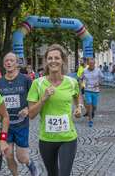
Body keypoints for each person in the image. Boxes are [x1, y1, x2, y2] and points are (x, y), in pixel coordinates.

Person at [27, 44, 83, 176]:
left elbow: (77, 95)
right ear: (46, 61)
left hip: (68, 138)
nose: (53, 61)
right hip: (47, 139)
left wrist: (79, 107)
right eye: (50, 58)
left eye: (57, 58)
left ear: (62, 60)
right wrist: (43, 98)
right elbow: (31, 114)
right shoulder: (38, 83)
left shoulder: (71, 82)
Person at [0, 52, 38, 176]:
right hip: (6, 124)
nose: (9, 63)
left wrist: (27, 109)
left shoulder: (26, 80)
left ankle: (31, 164)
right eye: (6, 61)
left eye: (11, 60)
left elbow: (34, 99)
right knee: (8, 155)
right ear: (4, 64)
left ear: (17, 63)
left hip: (21, 124)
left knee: (22, 157)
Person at [81, 58, 103, 127]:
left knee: (94, 106)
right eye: (90, 64)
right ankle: (90, 120)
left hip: (96, 91)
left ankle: (92, 112)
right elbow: (80, 78)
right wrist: (82, 84)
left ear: (94, 64)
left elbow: (102, 78)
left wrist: (99, 83)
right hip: (88, 90)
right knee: (89, 104)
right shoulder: (84, 71)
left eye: (92, 64)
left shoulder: (98, 70)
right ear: (88, 64)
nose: (91, 65)